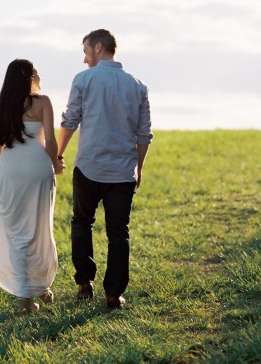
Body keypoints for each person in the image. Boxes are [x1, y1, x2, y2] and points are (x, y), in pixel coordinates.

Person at [56, 29, 152, 310]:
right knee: (119, 232)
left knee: (82, 223)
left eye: (86, 51)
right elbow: (144, 134)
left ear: (98, 48)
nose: (84, 58)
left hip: (88, 167)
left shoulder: (84, 79)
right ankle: (113, 294)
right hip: (123, 171)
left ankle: (84, 284)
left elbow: (70, 120)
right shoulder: (138, 85)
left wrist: (58, 153)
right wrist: (139, 168)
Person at [0, 58, 63, 315]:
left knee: (17, 233)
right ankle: (39, 287)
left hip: (10, 170)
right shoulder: (42, 102)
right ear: (30, 76)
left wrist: (2, 174)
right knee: (40, 227)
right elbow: (51, 140)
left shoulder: (2, 106)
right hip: (37, 169)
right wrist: (56, 164)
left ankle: (27, 297)